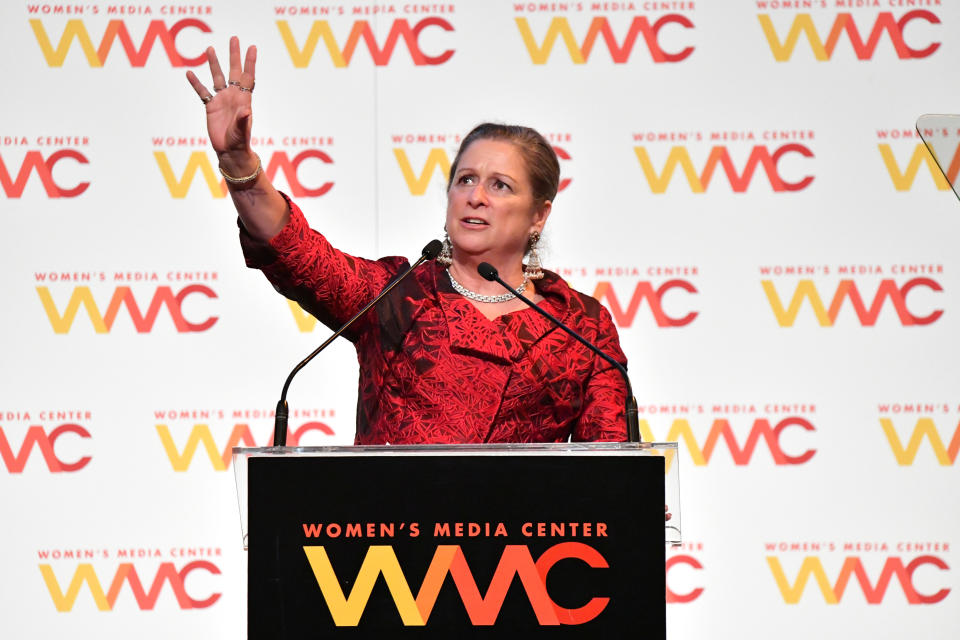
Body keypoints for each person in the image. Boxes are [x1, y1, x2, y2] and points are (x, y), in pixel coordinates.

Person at [186, 37, 630, 444]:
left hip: (516, 532)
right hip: (388, 529)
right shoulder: (398, 294)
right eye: (466, 179)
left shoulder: (580, 324)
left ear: (538, 215)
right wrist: (239, 162)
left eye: (500, 186)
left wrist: (632, 501)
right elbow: (294, 250)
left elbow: (611, 462)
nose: (475, 196)